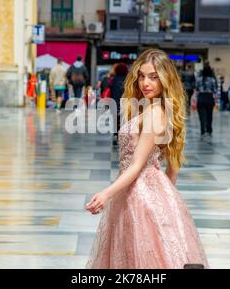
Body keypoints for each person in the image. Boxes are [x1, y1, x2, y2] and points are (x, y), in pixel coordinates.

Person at [85, 49, 209, 269]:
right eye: (141, 76)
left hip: (140, 194)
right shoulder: (151, 109)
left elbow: (136, 165)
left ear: (165, 79)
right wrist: (165, 199)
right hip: (141, 193)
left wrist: (106, 193)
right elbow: (173, 166)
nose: (145, 82)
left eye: (153, 77)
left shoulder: (155, 113)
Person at [195, 61, 218, 137]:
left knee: (201, 115)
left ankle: (202, 130)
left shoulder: (199, 79)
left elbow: (197, 88)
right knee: (209, 114)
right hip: (209, 98)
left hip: (201, 97)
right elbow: (215, 89)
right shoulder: (212, 80)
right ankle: (209, 129)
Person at [109, 63, 129, 146]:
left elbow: (111, 91)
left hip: (115, 103)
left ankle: (115, 135)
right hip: (125, 104)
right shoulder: (128, 80)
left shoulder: (113, 80)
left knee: (115, 120)